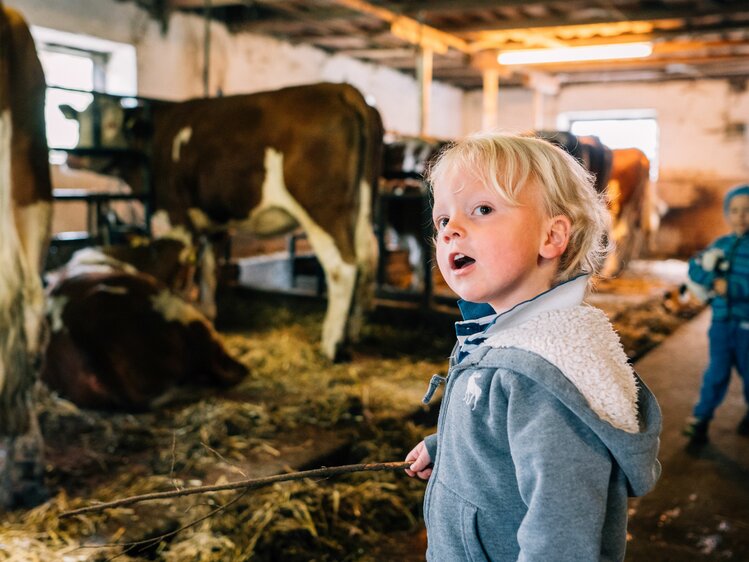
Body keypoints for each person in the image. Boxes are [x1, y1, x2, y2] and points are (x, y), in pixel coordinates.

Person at [403, 132, 662, 561]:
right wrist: (448, 446)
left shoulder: (543, 380)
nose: (451, 231)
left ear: (551, 237)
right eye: (443, 220)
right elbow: (504, 430)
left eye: (481, 209)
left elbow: (559, 541)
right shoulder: (505, 335)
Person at [682, 184, 749, 445]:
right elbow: (694, 266)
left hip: (747, 329)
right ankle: (701, 419)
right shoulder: (721, 243)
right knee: (716, 373)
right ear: (727, 213)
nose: (740, 216)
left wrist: (731, 288)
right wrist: (711, 279)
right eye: (734, 210)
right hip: (721, 325)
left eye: (747, 210)